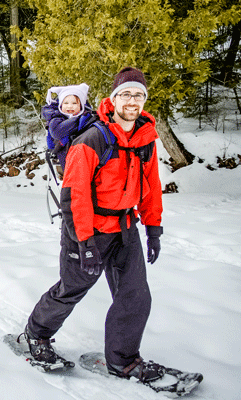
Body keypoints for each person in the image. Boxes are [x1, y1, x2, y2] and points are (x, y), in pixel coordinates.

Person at [22, 67, 165, 382]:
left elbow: (152, 186)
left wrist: (153, 229)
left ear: (144, 100)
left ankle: (123, 360)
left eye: (138, 94)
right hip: (88, 228)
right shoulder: (93, 138)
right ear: (113, 99)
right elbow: (74, 196)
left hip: (125, 229)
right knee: (72, 288)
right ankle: (36, 333)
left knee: (135, 295)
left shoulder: (145, 140)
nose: (132, 100)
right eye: (125, 94)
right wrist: (84, 242)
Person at [42, 83, 94, 173]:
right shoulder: (56, 119)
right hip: (65, 159)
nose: (70, 106)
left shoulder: (87, 118)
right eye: (66, 103)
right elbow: (57, 131)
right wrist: (77, 120)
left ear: (81, 106)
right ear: (61, 105)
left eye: (74, 103)